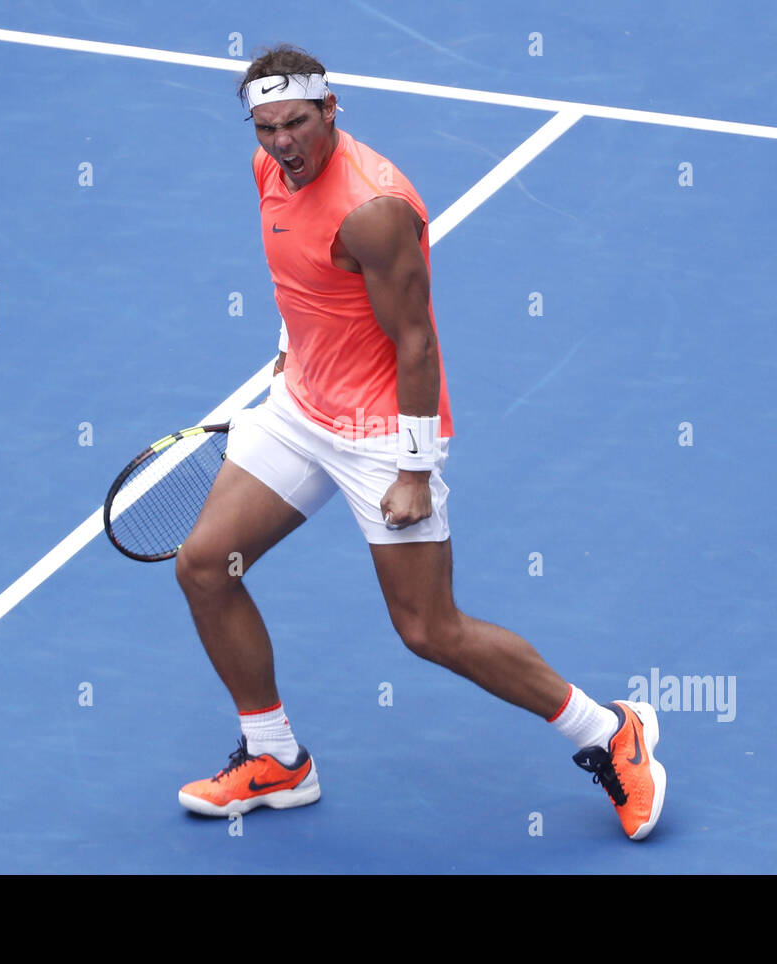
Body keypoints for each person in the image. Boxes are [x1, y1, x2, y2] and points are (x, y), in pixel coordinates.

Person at [174, 45, 666, 840]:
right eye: (265, 127)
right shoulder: (267, 170)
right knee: (204, 567)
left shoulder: (372, 210)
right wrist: (292, 350)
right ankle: (276, 759)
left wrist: (413, 468)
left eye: (297, 122)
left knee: (428, 630)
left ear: (333, 109)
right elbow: (301, 279)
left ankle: (608, 732)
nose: (283, 142)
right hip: (300, 410)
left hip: (381, 433)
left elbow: (416, 343)